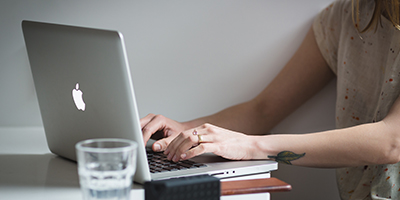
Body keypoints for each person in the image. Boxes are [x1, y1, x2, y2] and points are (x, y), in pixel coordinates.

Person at [140, 0, 400, 199]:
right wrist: (185, 130)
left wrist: (252, 146)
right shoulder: (343, 15)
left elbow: (392, 142)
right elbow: (263, 110)